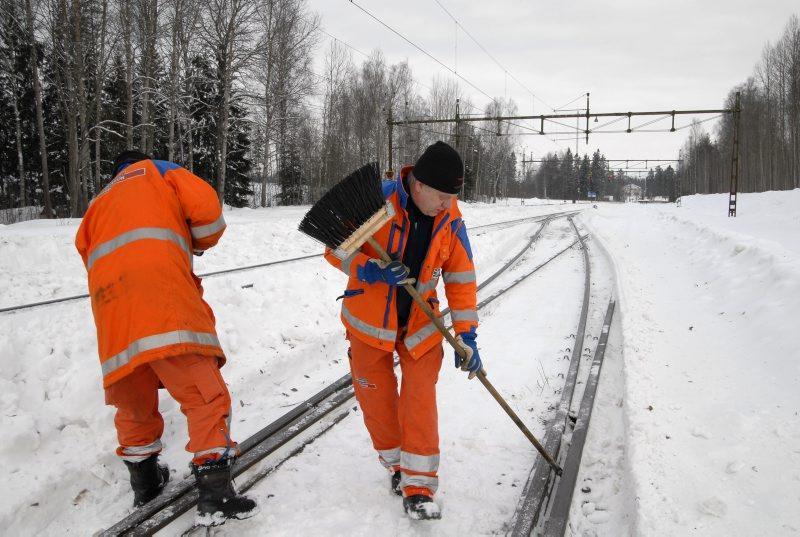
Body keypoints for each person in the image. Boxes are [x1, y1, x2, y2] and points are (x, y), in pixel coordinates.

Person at [74, 150, 256, 526]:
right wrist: (192, 243)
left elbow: (86, 252)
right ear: (140, 161)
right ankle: (215, 492)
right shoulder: (157, 171)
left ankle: (145, 484)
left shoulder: (97, 203)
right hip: (162, 298)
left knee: (134, 401)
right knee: (203, 392)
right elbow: (208, 215)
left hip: (112, 313)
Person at [324, 141, 482, 520]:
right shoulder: (376, 202)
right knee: (376, 401)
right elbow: (334, 248)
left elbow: (460, 279)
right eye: (442, 196)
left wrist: (467, 333)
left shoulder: (452, 219)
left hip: (420, 325)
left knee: (419, 400)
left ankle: (419, 486)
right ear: (419, 186)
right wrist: (371, 269)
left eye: (452, 198)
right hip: (368, 324)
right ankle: (398, 465)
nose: (447, 204)